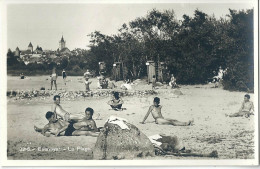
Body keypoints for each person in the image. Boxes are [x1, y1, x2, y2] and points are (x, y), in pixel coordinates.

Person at [34, 111, 99, 137]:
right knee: (87, 133)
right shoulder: (47, 126)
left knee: (85, 125)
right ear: (49, 119)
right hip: (67, 133)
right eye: (53, 117)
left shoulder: (58, 121)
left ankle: (97, 130)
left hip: (70, 127)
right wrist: (48, 134)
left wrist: (59, 131)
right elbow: (43, 132)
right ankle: (99, 135)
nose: (55, 117)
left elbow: (67, 125)